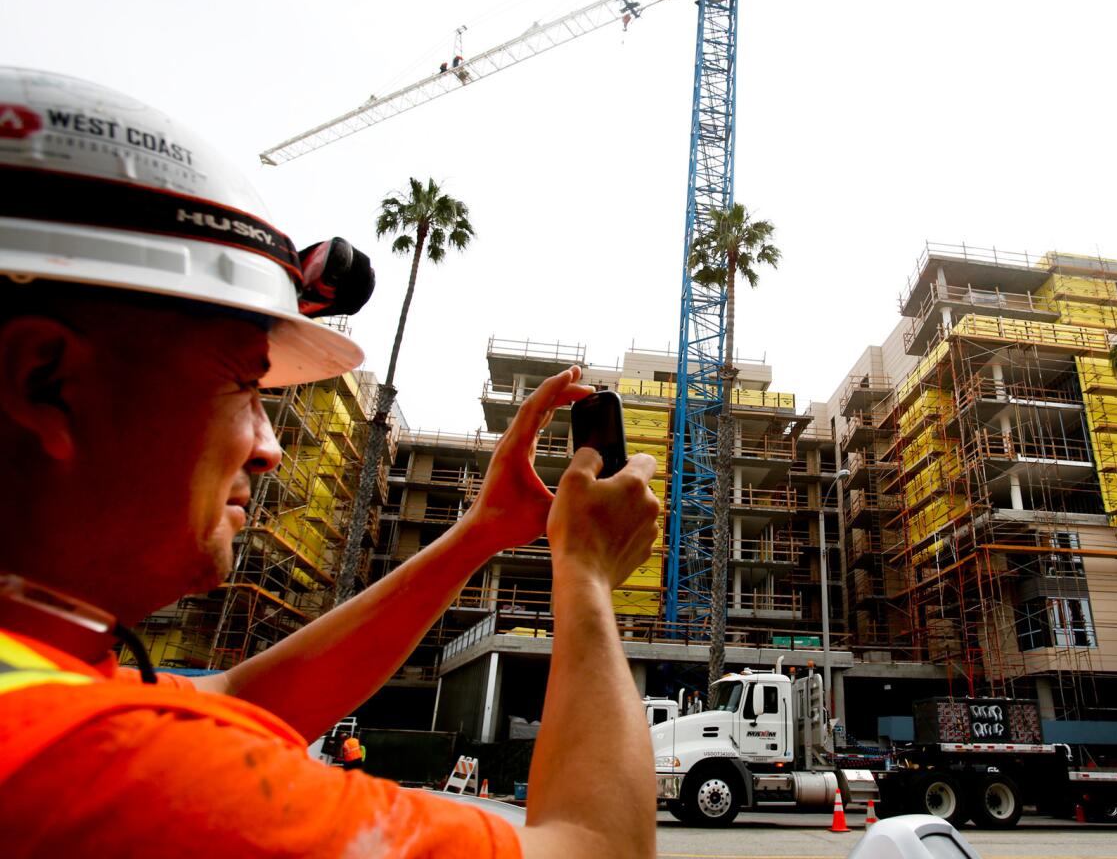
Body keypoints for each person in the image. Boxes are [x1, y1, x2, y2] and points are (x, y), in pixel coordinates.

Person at [0, 67, 661, 858]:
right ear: (47, 382)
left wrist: (483, 530)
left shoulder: (43, 688)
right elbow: (597, 845)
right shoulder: (104, 772)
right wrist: (583, 575)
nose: (270, 447)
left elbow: (243, 700)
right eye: (245, 387)